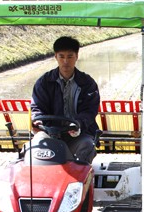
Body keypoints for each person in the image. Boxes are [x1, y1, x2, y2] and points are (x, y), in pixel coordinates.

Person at [30, 36, 100, 164]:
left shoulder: (87, 83)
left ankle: (79, 175)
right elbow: (37, 107)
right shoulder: (44, 82)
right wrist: (38, 120)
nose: (65, 61)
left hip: (79, 134)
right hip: (49, 133)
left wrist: (78, 124)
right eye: (61, 56)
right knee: (35, 144)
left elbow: (90, 111)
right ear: (55, 56)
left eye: (70, 56)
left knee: (87, 145)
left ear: (76, 56)